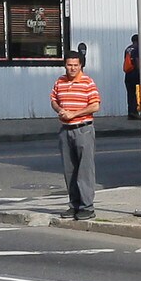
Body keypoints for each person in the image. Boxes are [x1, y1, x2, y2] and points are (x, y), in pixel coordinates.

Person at [50, 51, 100, 220]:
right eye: (69, 65)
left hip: (83, 129)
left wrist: (75, 114)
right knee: (69, 170)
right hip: (65, 130)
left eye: (75, 65)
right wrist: (60, 110)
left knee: (84, 170)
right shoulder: (60, 81)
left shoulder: (88, 82)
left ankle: (87, 207)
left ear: (81, 66)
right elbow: (54, 100)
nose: (72, 68)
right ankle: (74, 204)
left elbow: (94, 106)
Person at [123, 34, 140, 120]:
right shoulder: (138, 48)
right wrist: (140, 71)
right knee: (138, 93)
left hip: (128, 74)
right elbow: (137, 60)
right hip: (135, 74)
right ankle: (136, 112)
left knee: (130, 94)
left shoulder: (127, 49)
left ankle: (130, 112)